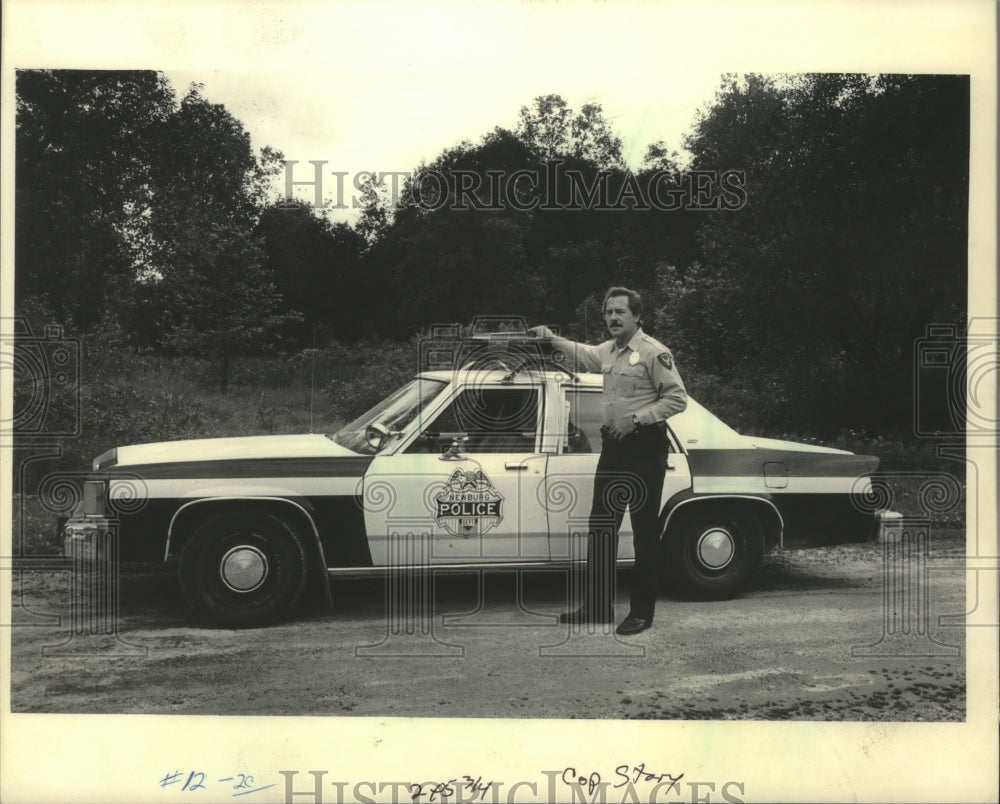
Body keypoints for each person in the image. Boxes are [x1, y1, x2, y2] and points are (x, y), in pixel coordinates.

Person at [529, 286, 687, 635]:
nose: (613, 318)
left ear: (637, 316)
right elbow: (583, 353)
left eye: (620, 312)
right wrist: (551, 337)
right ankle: (597, 607)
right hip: (614, 449)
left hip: (646, 447)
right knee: (602, 527)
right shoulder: (609, 351)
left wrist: (635, 420)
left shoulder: (653, 352)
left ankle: (642, 613)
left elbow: (677, 399)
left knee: (645, 533)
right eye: (608, 312)